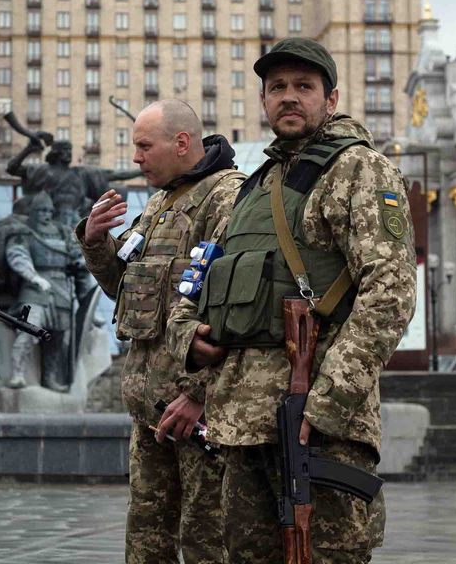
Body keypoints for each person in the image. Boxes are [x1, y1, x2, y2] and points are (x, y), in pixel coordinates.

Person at [166, 38, 417, 563]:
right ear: (263, 101)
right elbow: (200, 280)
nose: (289, 97)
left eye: (304, 86)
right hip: (240, 424)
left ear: (331, 98)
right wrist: (187, 339)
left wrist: (328, 401)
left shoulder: (359, 170)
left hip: (317, 424)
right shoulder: (253, 187)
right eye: (277, 87)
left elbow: (389, 292)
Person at [78, 100, 243, 564]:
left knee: (205, 540)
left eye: (144, 146)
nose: (136, 158)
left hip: (197, 417)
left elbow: (235, 311)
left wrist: (197, 394)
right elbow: (126, 290)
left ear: (182, 143)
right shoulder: (158, 203)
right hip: (150, 412)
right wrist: (96, 242)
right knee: (146, 539)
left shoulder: (227, 199)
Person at [4, 191, 96, 391]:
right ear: (33, 211)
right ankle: (17, 373)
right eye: (41, 210)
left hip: (61, 290)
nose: (45, 214)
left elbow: (76, 256)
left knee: (57, 337)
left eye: (48, 210)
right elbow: (17, 255)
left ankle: (49, 378)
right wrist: (33, 276)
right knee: (29, 329)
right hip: (35, 289)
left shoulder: (63, 232)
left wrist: (81, 265)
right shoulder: (24, 232)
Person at [6, 137, 137, 225]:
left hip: (75, 221)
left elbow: (117, 174)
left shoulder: (80, 173)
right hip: (48, 219)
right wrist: (28, 149)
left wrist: (144, 169)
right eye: (65, 150)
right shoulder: (42, 170)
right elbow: (12, 168)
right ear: (56, 152)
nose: (69, 153)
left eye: (70, 150)